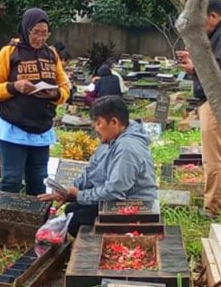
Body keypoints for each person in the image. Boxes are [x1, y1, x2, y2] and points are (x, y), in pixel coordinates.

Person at [40, 96, 157, 237]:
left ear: (114, 122)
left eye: (98, 123)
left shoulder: (127, 148)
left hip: (136, 206)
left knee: (76, 220)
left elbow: (115, 192)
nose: (95, 128)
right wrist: (67, 191)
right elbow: (92, 170)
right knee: (72, 209)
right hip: (117, 201)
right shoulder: (110, 139)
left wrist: (79, 195)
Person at [0, 8, 71, 196]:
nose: (40, 38)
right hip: (12, 127)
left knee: (39, 181)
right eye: (36, 32)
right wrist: (15, 87)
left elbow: (65, 88)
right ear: (25, 29)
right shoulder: (9, 52)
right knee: (12, 179)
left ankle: (34, 223)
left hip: (41, 128)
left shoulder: (51, 55)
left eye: (44, 33)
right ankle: (4, 223)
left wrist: (54, 95)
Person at [175, 0, 221, 216]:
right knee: (214, 155)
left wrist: (194, 69)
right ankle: (213, 202)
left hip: (218, 102)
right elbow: (214, 61)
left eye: (202, 21)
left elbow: (220, 69)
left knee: (212, 158)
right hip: (213, 100)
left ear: (213, 15)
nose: (201, 27)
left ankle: (212, 207)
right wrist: (193, 58)